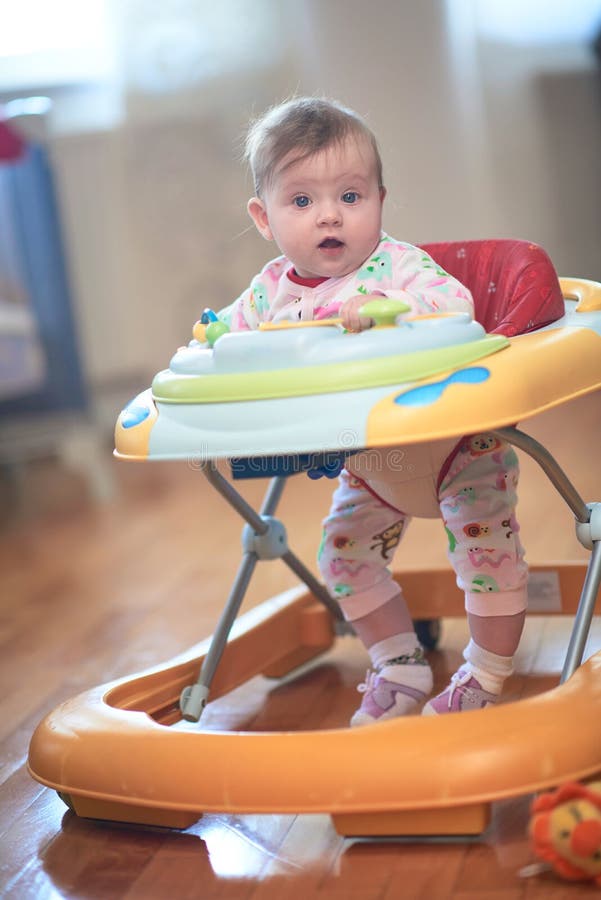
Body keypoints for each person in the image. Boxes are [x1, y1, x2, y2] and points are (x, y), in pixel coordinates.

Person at [218, 96, 528, 725]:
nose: (329, 215)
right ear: (264, 216)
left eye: (350, 197)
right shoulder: (267, 292)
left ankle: (487, 674)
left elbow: (458, 306)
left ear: (380, 200)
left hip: (455, 447)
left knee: (487, 558)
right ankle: (397, 664)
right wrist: (210, 347)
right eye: (302, 201)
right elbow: (227, 343)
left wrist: (394, 304)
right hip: (370, 460)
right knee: (342, 557)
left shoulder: (400, 267)